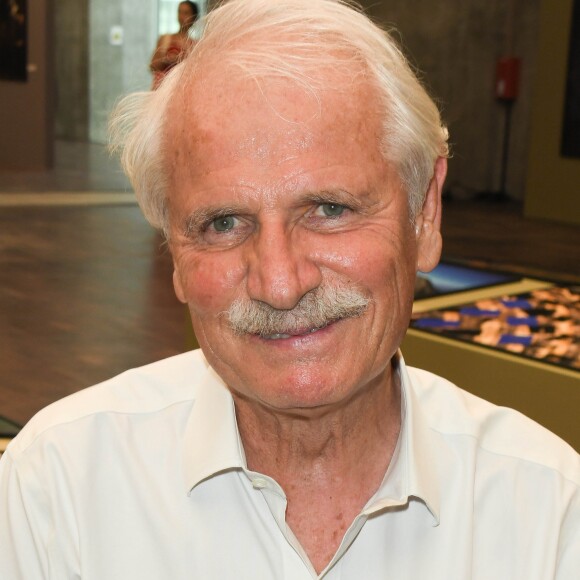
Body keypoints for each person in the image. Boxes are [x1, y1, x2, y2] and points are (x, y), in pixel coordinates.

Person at [1, 0, 578, 577]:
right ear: (173, 252)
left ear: (424, 214)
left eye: (329, 209)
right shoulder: (60, 489)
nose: (279, 284)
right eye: (223, 223)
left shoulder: (548, 514)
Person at [149, 0, 198, 90]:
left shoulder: (195, 44)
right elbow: (153, 65)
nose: (181, 16)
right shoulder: (166, 39)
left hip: (180, 90)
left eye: (186, 13)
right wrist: (168, 59)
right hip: (161, 89)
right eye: (179, 12)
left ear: (193, 17)